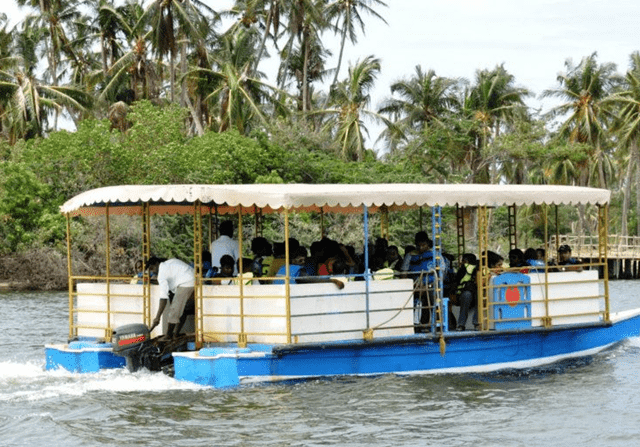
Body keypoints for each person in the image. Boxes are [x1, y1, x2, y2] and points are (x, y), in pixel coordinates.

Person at [148, 257, 195, 340]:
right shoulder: (168, 263)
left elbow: (163, 298)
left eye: (152, 268)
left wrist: (158, 317)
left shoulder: (162, 273)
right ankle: (175, 334)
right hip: (192, 278)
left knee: (174, 310)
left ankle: (168, 336)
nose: (152, 271)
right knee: (182, 310)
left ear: (156, 264)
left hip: (187, 282)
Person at [274, 246, 344, 289]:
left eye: (304, 259)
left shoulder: (283, 267)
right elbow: (306, 279)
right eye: (301, 259)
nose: (303, 261)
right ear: (294, 258)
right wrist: (332, 281)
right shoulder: (296, 269)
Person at [452, 253, 478, 331]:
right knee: (474, 296)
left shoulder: (463, 269)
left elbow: (455, 282)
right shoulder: (478, 268)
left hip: (465, 294)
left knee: (469, 295)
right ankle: (476, 323)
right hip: (470, 295)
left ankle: (461, 325)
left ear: (466, 261)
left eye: (462, 260)